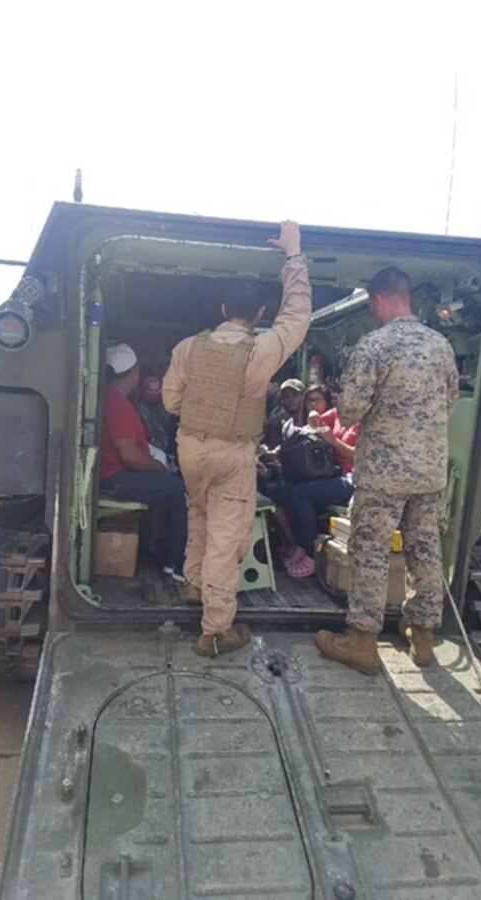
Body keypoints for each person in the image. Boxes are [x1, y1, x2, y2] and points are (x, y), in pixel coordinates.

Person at [162, 221, 312, 657]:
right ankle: (215, 631)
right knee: (228, 540)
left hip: (190, 447)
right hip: (233, 453)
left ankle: (194, 584)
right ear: (260, 315)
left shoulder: (188, 347)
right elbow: (297, 317)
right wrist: (293, 255)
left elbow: (172, 400)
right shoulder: (261, 349)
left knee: (199, 513)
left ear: (224, 307)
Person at [315, 266, 459, 674]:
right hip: (429, 473)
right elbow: (449, 405)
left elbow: (350, 410)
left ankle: (361, 642)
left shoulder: (374, 346)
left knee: (371, 552)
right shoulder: (440, 346)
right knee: (425, 551)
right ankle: (423, 638)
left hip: (383, 474)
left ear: (377, 300)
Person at [99, 343, 188, 581]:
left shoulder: (111, 397)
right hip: (116, 477)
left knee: (169, 486)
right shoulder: (117, 403)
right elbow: (128, 454)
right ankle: (177, 566)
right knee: (180, 493)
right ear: (133, 372)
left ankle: (163, 548)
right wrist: (158, 467)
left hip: (113, 473)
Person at [282, 384, 357, 577]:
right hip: (335, 475)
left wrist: (333, 441)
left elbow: (361, 457)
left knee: (301, 493)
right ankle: (299, 544)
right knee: (289, 489)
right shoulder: (338, 415)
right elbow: (315, 419)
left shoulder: (365, 421)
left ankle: (310, 553)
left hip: (354, 481)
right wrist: (313, 412)